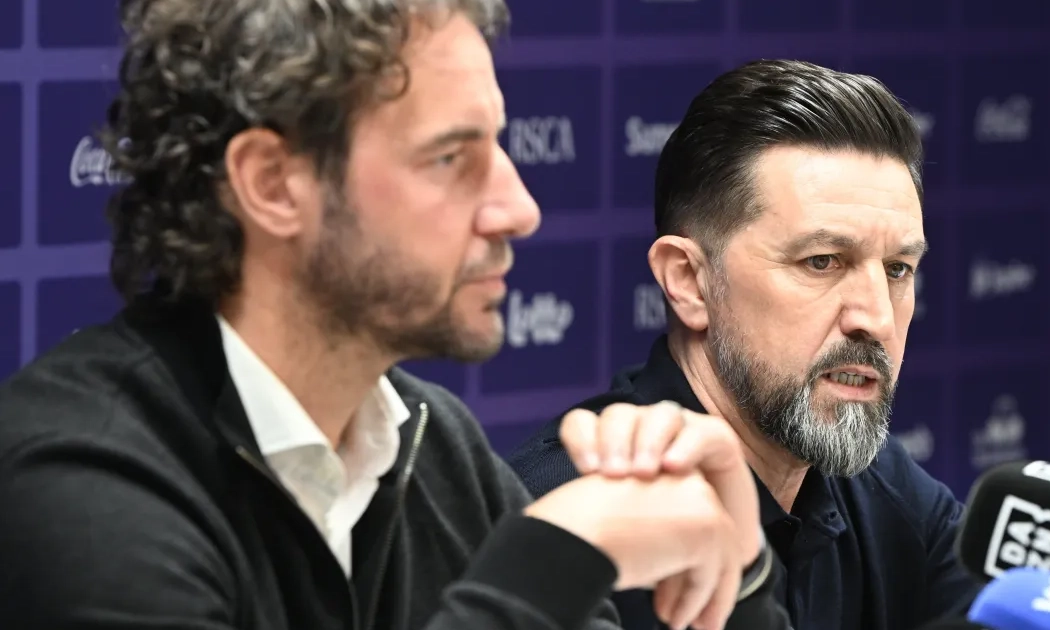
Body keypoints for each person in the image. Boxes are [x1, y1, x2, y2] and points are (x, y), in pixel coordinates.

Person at [0, 2, 792, 630]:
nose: (519, 209)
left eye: (500, 147)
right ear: (272, 184)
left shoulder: (434, 446)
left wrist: (739, 565)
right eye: (449, 158)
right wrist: (559, 554)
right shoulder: (82, 485)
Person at [508, 59, 986, 629]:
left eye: (898, 269)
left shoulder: (884, 491)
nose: (876, 317)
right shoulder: (566, 522)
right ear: (689, 281)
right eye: (822, 261)